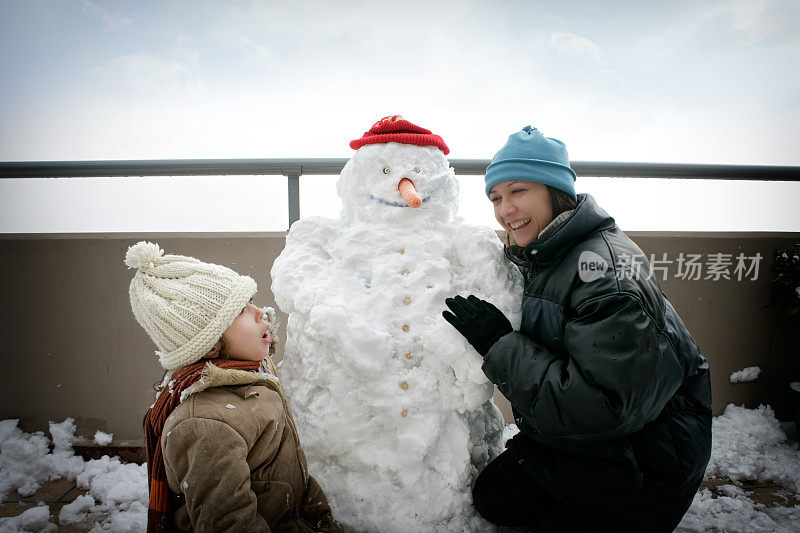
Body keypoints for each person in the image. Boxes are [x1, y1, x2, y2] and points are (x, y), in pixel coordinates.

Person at [442, 126, 712, 532]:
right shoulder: (551, 250)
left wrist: (501, 344)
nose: (504, 210)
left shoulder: (604, 275)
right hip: (608, 440)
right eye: (495, 198)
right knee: (496, 497)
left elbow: (605, 407)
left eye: (518, 191)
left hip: (648, 457)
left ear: (555, 191)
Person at [124, 241, 342, 533]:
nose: (260, 312)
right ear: (210, 344)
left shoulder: (253, 378)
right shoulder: (205, 424)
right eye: (241, 310)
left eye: (251, 301)